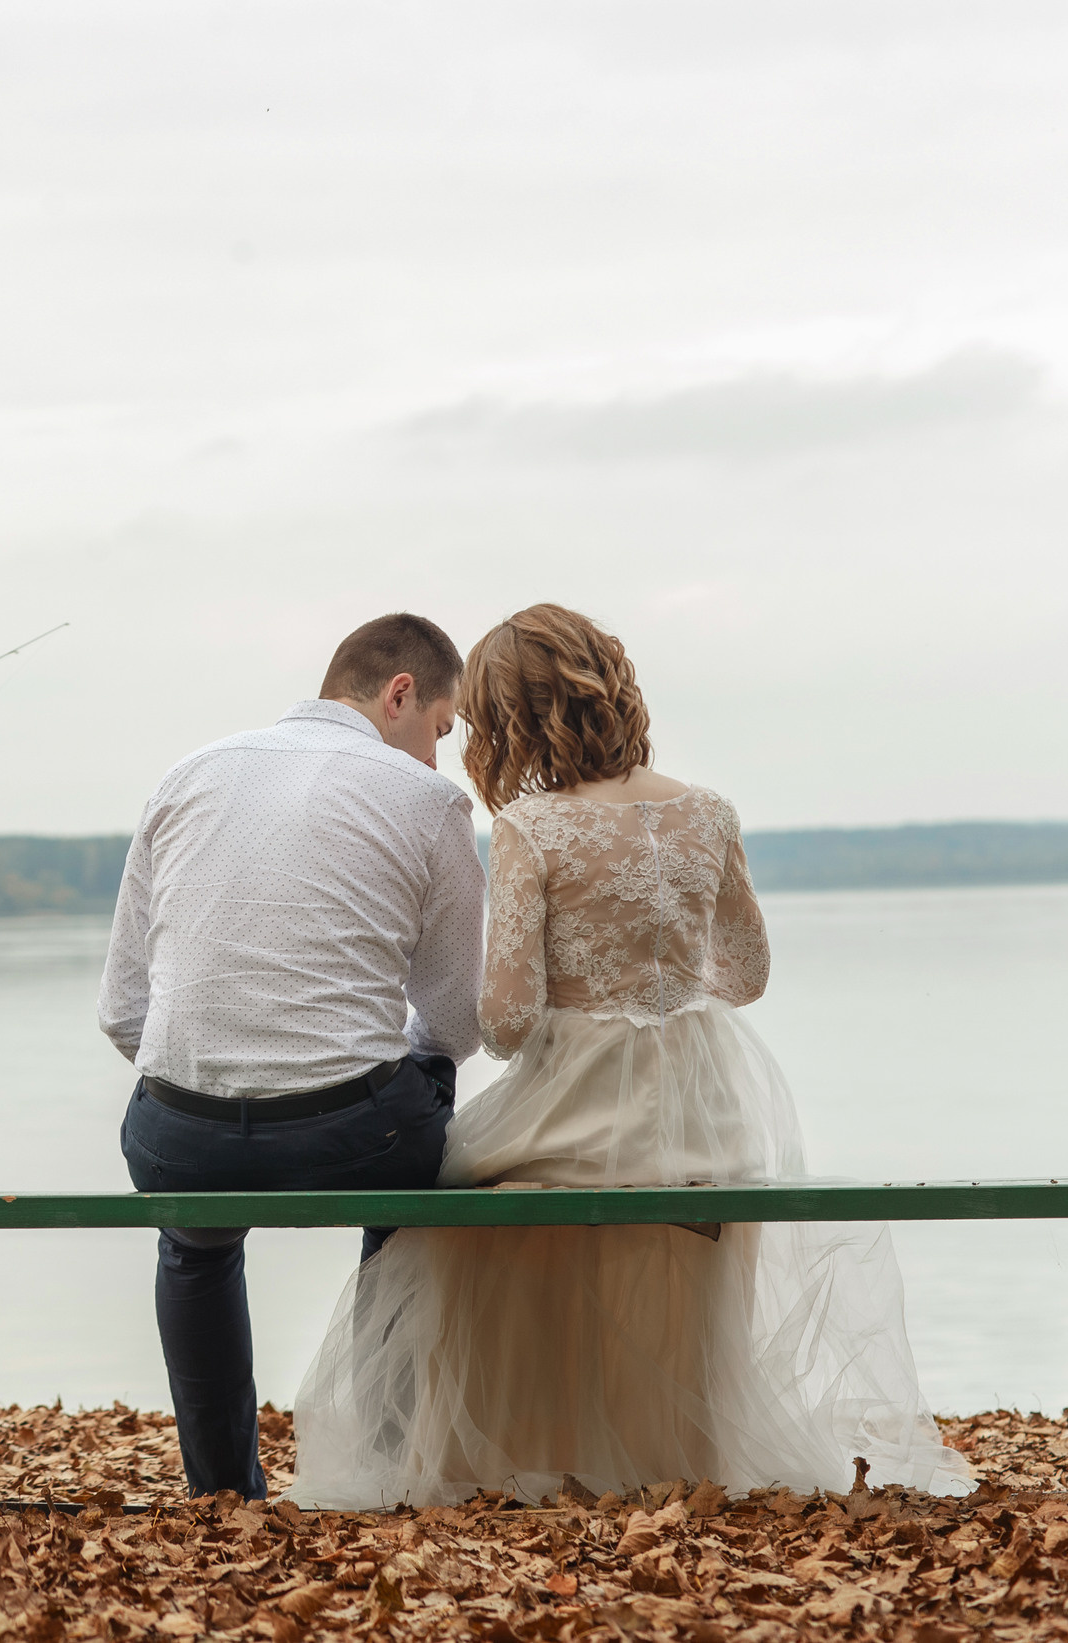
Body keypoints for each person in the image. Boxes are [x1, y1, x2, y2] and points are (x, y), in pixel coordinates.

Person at [291, 604, 970, 1507]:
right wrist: (657, 992)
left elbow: (506, 1022)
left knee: (452, 1204)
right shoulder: (707, 812)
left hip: (575, 1104)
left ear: (512, 722)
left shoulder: (534, 829)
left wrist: (579, 999)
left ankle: (514, 1457)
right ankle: (667, 1461)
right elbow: (746, 973)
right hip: (705, 1105)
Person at [98, 613, 487, 1499]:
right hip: (355, 1140)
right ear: (400, 696)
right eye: (441, 727)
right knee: (421, 1134)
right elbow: (456, 1022)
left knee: (193, 1245)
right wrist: (352, 1069)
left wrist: (215, 1078)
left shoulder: (186, 775)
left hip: (179, 1142)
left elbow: (123, 1011)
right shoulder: (427, 802)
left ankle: (223, 1489)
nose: (439, 754)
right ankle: (381, 1465)